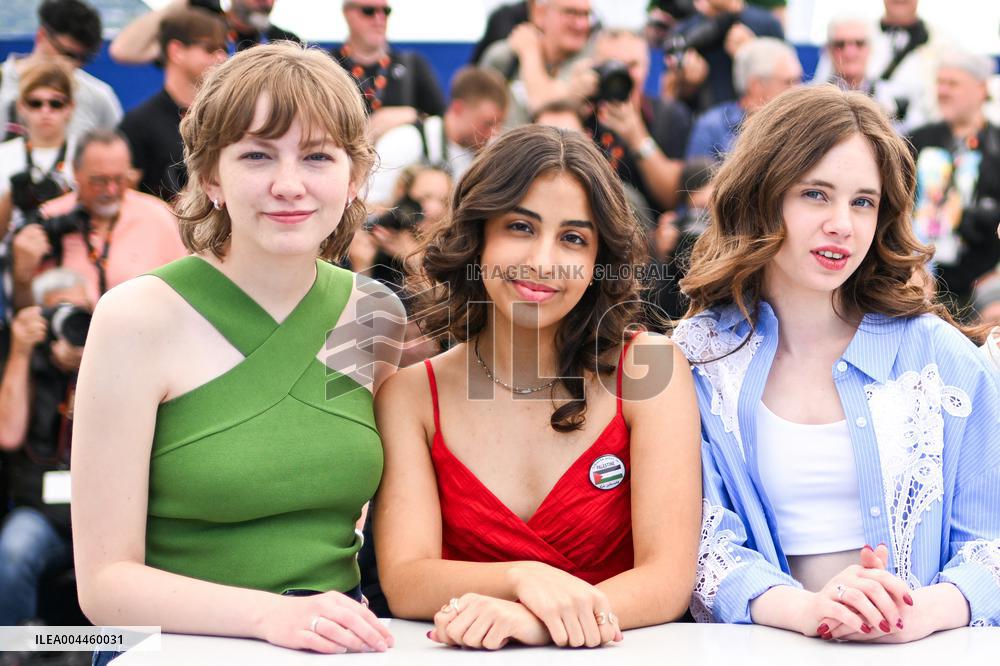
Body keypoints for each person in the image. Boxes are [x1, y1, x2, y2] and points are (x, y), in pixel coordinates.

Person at [72, 43, 402, 662]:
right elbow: (104, 588)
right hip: (168, 651)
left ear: (354, 178)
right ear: (209, 178)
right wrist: (270, 616)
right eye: (256, 155)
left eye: (317, 156)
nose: (288, 184)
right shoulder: (136, 318)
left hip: (333, 646)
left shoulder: (374, 314)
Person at [673, 85, 1000, 640]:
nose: (842, 225)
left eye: (862, 201)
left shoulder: (941, 356)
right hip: (762, 650)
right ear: (762, 195)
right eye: (816, 195)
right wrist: (807, 610)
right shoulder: (696, 359)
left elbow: (989, 545)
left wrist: (917, 614)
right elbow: (703, 548)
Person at [373, 125, 702, 649]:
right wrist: (522, 578)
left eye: (573, 238)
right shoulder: (410, 395)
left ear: (599, 263)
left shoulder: (650, 369)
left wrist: (538, 621)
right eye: (521, 227)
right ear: (477, 234)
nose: (543, 260)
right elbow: (407, 581)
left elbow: (667, 582)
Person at [0, 268, 90, 626]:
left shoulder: (114, 352)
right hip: (41, 514)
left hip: (108, 514)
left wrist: (95, 358)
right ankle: (16, 652)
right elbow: (8, 434)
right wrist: (21, 352)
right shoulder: (25, 359)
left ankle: (126, 650)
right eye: (60, 311)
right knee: (12, 552)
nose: (72, 321)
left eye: (81, 310)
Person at [9, 130, 187, 309]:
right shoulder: (48, 218)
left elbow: (185, 292)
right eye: (99, 181)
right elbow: (24, 309)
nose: (110, 190)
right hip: (68, 334)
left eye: (119, 179)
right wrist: (21, 277)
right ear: (75, 172)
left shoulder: (158, 216)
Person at [908, 51, 1000, 310]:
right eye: (940, 83)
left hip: (980, 289)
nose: (943, 91)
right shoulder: (918, 140)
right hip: (917, 280)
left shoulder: (997, 147)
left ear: (981, 89)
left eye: (953, 84)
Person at [118, 8, 228, 202]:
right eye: (210, 48)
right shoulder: (138, 123)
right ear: (176, 51)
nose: (221, 58)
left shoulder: (228, 118)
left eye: (224, 49)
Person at [367, 66, 507, 206]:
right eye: (488, 123)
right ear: (458, 108)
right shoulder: (405, 141)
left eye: (500, 123)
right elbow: (369, 210)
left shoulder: (493, 156)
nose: (494, 133)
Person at [0, 0, 122, 143]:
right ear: (42, 36)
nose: (73, 65)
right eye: (67, 54)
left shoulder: (100, 97)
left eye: (83, 58)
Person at [334, 0, 446, 139]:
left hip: (404, 158)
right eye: (369, 11)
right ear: (347, 13)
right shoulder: (329, 65)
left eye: (386, 11)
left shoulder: (412, 65)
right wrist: (367, 129)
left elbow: (443, 121)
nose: (379, 19)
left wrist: (410, 114)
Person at [480, 0, 596, 129]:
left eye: (586, 15)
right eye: (570, 13)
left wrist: (529, 53)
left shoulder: (593, 60)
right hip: (506, 146)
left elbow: (542, 102)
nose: (581, 24)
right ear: (540, 14)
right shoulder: (504, 56)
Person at [686, 36, 801, 162]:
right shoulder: (712, 127)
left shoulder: (800, 128)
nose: (798, 89)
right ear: (756, 86)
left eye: (799, 80)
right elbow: (696, 180)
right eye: (788, 82)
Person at [0, 59, 77, 237]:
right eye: (35, 103)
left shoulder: (85, 155)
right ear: (21, 107)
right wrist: (10, 198)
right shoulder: (2, 156)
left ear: (70, 107)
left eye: (56, 104)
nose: (45, 111)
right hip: (13, 254)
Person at [671, 0, 783, 113]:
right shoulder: (685, 32)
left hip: (756, 116)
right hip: (703, 118)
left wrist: (752, 51)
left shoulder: (767, 24)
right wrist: (688, 84)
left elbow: (788, 79)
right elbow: (668, 97)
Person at [109, 0, 301, 64]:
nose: (265, 2)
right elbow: (123, 51)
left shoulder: (285, 42)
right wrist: (184, 3)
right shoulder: (199, 29)